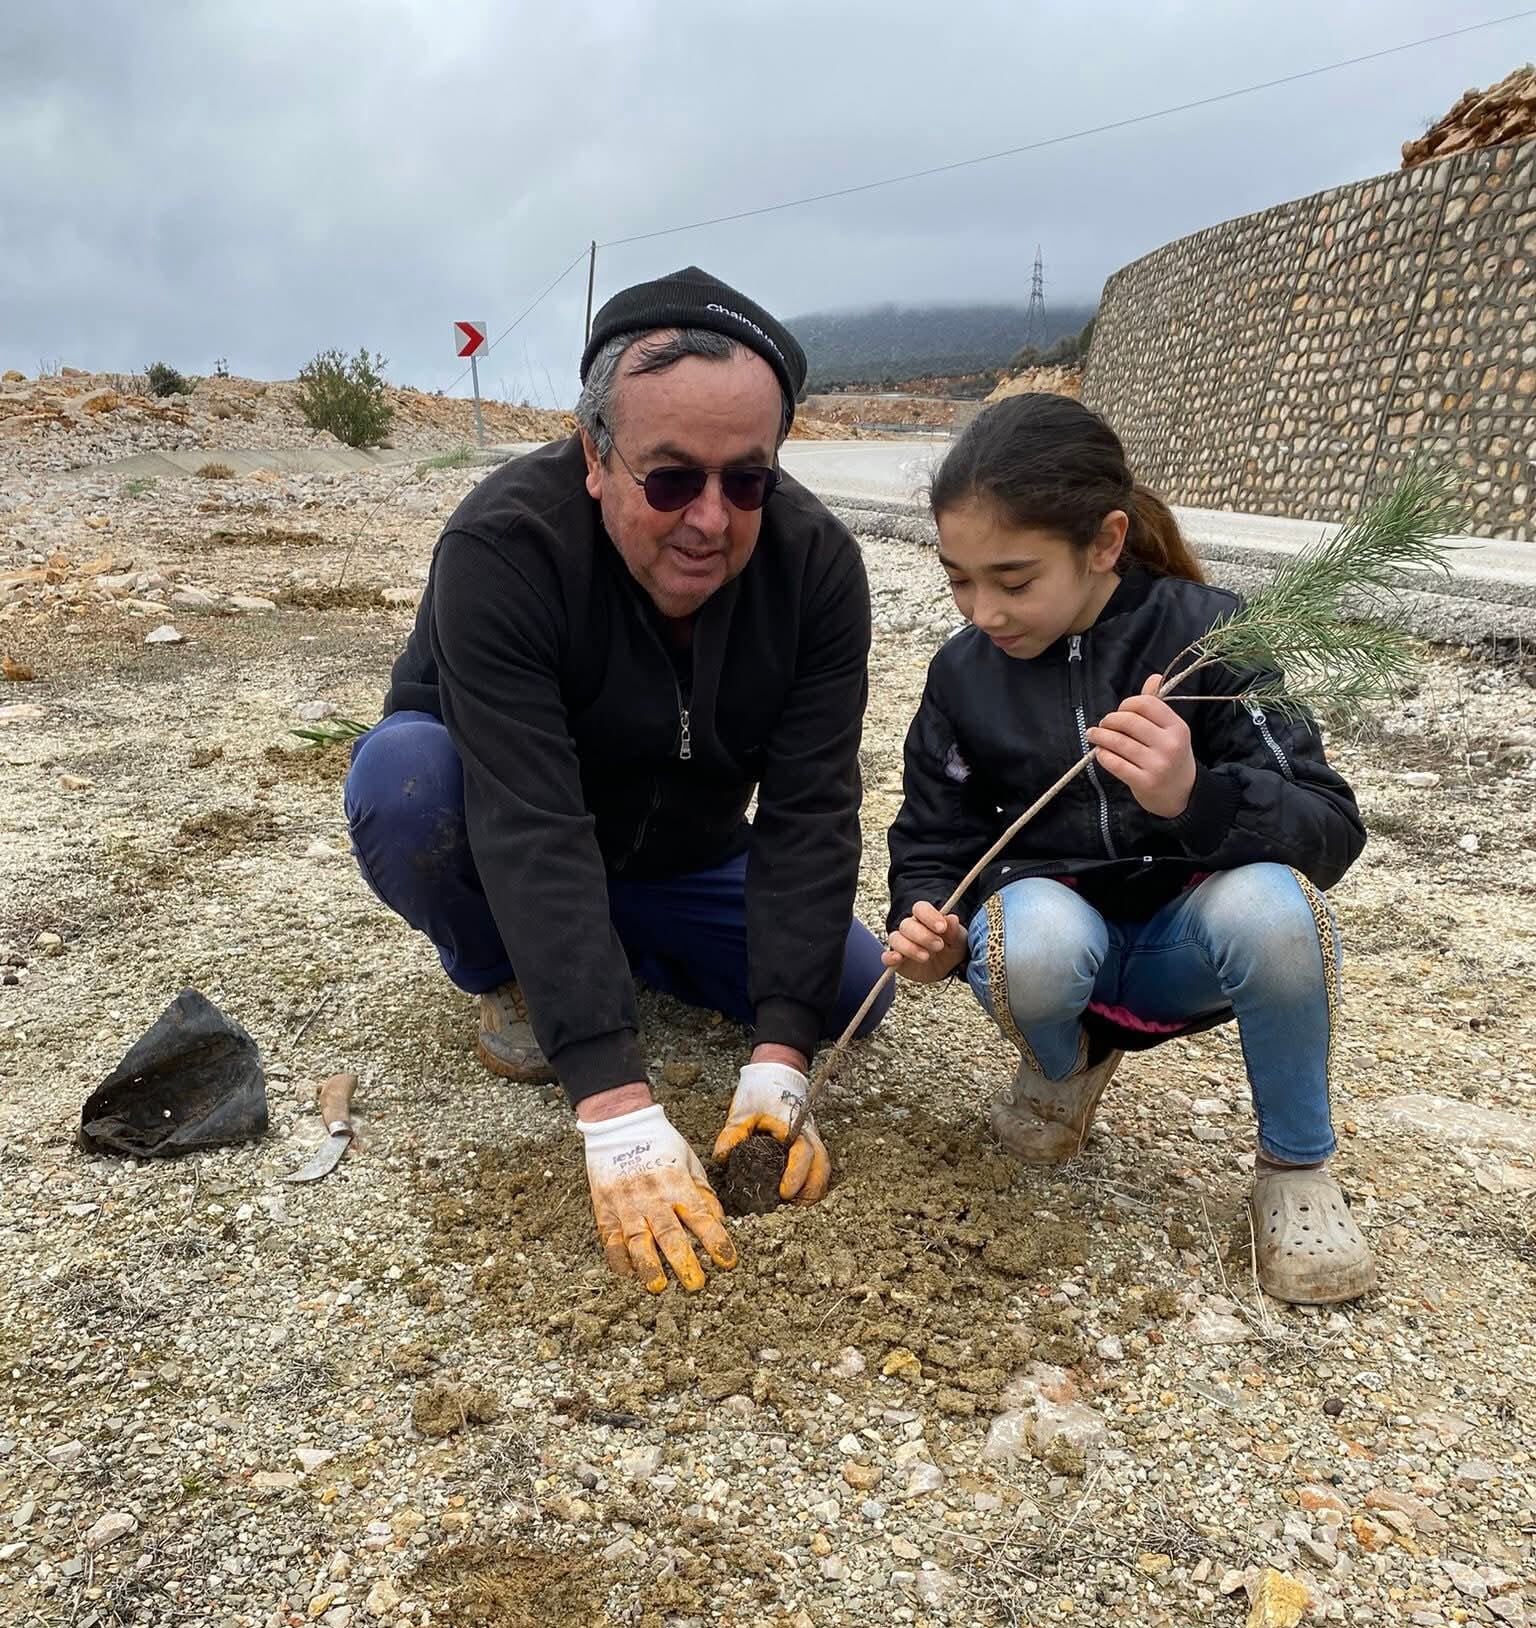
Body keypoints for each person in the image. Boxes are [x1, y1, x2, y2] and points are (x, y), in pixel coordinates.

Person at [344, 267, 893, 1295]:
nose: (711, 520)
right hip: (518, 823)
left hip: (686, 851)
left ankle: (603, 948)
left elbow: (812, 811)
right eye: (672, 478)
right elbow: (528, 817)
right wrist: (616, 1105)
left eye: (748, 480)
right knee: (405, 785)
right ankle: (508, 967)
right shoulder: (502, 547)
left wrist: (781, 1063)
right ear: (594, 453)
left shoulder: (815, 566)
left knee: (850, 991)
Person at [884, 394, 1374, 1305]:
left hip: (1189, 949)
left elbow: (1331, 830)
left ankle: (1297, 1171)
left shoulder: (1208, 638)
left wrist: (1195, 795)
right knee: (1026, 936)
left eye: (1015, 578)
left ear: (1105, 542)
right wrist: (930, 929)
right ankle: (1061, 1072)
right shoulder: (961, 674)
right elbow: (932, 840)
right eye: (959, 578)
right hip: (1059, 956)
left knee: (1275, 907)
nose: (984, 609)